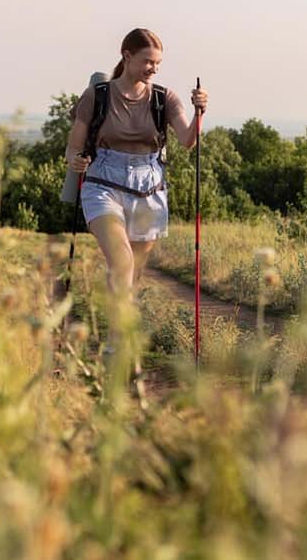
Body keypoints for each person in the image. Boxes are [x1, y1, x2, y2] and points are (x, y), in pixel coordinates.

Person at [64, 28, 208, 381]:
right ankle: (116, 346)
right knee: (122, 260)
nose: (152, 69)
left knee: (131, 274)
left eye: (157, 64)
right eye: (147, 61)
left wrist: (200, 111)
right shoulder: (96, 96)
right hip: (102, 183)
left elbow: (188, 141)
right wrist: (76, 162)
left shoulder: (164, 98)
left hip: (149, 185)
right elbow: (73, 148)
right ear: (127, 56)